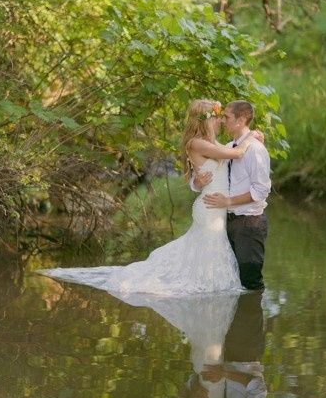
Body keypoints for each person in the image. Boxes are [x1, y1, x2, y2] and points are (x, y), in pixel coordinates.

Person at [38, 99, 260, 296]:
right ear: (205, 120)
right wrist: (253, 137)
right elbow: (236, 153)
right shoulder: (196, 143)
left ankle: (213, 290)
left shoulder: (211, 144)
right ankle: (210, 293)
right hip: (211, 206)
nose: (221, 122)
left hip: (217, 206)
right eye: (217, 117)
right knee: (208, 247)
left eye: (222, 118)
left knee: (208, 249)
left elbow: (228, 152)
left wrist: (246, 138)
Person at [192, 100, 271, 291]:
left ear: (241, 119)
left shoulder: (255, 149)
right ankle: (236, 321)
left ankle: (252, 318)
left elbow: (260, 191)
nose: (222, 120)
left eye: (226, 117)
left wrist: (228, 201)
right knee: (233, 284)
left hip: (249, 223)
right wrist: (197, 182)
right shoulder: (229, 146)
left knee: (251, 283)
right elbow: (205, 174)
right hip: (226, 221)